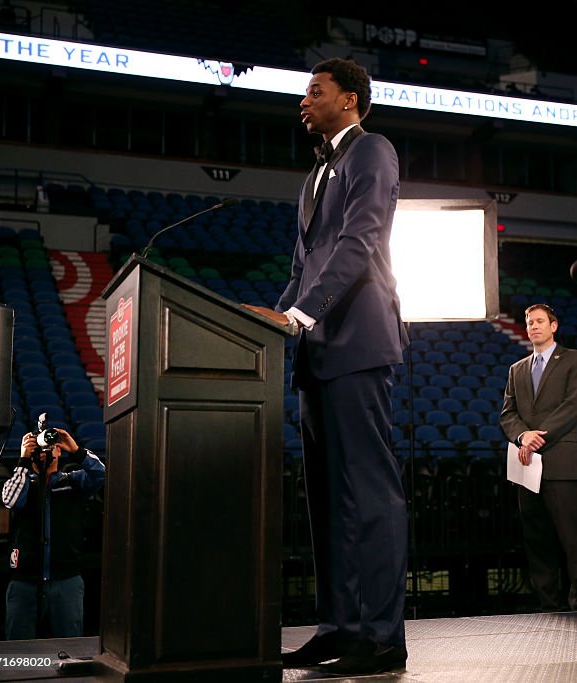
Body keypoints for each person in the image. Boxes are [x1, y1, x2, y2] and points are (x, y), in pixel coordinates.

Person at [241, 57, 409, 676]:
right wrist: (276, 318)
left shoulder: (372, 152)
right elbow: (299, 268)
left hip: (358, 343)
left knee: (369, 493)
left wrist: (301, 315)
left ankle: (383, 635)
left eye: (315, 91)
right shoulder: (316, 172)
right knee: (329, 501)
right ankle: (339, 625)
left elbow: (359, 243)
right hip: (317, 354)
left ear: (351, 99)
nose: (303, 101)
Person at [500, 304, 577, 612]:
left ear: (554, 326)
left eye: (540, 321)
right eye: (529, 322)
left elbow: (573, 404)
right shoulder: (517, 369)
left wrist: (540, 434)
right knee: (537, 541)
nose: (533, 326)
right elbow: (508, 414)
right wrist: (523, 436)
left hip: (561, 462)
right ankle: (549, 607)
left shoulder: (576, 359)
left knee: (571, 539)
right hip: (527, 464)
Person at [0, 426, 105, 640]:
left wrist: (76, 450)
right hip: (24, 581)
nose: (47, 451)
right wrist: (23, 460)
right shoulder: (24, 483)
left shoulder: (72, 481)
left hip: (66, 579)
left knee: (70, 646)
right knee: (17, 651)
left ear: (59, 450)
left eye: (53, 447)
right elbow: (10, 499)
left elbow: (101, 474)